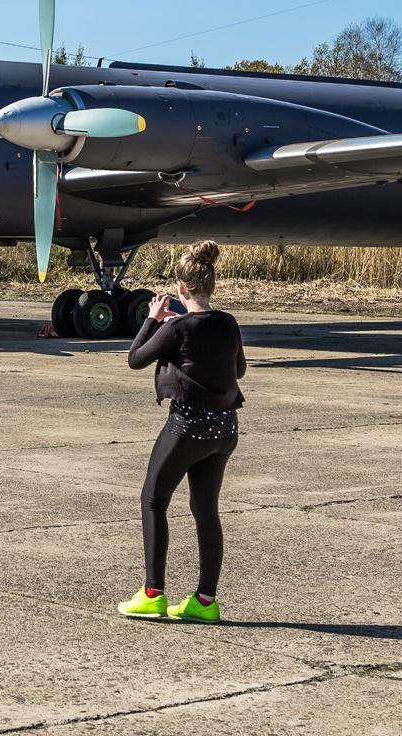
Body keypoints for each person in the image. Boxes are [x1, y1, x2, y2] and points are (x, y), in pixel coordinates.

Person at [117, 240, 246, 625]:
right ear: (211, 285)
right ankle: (205, 601)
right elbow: (239, 370)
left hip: (188, 427)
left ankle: (152, 594)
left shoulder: (177, 327)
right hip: (225, 429)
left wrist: (152, 320)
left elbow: (135, 359)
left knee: (153, 499)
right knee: (205, 509)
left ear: (180, 288)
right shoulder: (228, 323)